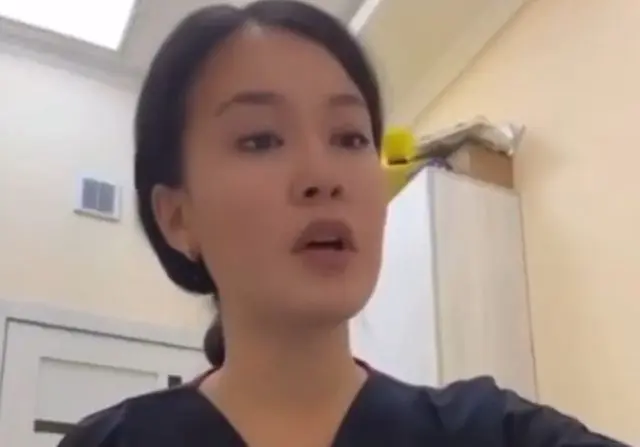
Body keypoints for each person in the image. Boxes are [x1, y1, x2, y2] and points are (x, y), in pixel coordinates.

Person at [58, 1, 627, 446]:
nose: (322, 176)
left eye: (350, 138)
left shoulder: (492, 433)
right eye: (261, 140)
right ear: (178, 217)